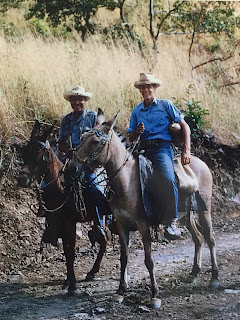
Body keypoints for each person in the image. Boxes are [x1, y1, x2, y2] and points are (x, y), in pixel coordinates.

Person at [127, 73, 191, 240]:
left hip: (162, 149)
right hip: (143, 150)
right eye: (143, 87)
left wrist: (186, 150)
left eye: (149, 86)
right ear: (140, 90)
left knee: (169, 179)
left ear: (154, 88)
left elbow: (185, 126)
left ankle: (172, 221)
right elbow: (130, 137)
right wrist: (136, 132)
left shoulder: (165, 105)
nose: (146, 90)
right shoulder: (136, 110)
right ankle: (133, 215)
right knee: (128, 178)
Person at [58, 85, 111, 229]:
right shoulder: (66, 120)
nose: (76, 103)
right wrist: (67, 150)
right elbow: (60, 143)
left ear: (84, 100)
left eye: (79, 99)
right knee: (48, 186)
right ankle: (51, 224)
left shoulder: (92, 117)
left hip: (87, 162)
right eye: (73, 99)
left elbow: (100, 140)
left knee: (94, 188)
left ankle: (100, 223)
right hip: (69, 161)